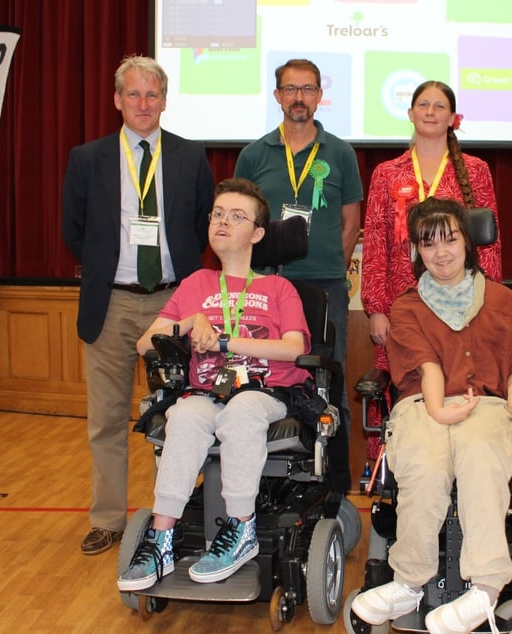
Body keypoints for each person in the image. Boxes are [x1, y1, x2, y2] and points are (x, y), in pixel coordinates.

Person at [351, 198, 512, 634]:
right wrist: (439, 412)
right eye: (428, 243)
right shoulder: (408, 305)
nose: (440, 252)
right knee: (425, 463)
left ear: (467, 242)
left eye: (450, 239)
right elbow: (428, 369)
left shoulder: (499, 297)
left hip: (486, 402)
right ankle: (408, 581)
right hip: (423, 403)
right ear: (417, 250)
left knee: (478, 457)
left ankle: (486, 588)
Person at [117, 178, 312, 590]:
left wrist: (225, 340)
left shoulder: (278, 288)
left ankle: (241, 528)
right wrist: (191, 322)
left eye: (237, 216)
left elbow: (294, 349)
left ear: (258, 234)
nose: (223, 221)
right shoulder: (195, 285)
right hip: (206, 393)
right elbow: (143, 343)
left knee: (241, 411)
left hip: (266, 392)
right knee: (184, 414)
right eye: (218, 214)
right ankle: (163, 536)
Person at [62, 55, 215, 555]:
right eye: (133, 94)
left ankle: (166, 518)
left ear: (165, 101)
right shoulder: (88, 158)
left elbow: (199, 228)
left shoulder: (192, 158)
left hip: (173, 302)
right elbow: (74, 232)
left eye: (152, 95)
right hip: (110, 303)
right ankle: (108, 518)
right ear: (117, 101)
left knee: (173, 414)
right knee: (105, 419)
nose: (143, 104)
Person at [233, 58, 362, 493]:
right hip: (267, 285)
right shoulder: (254, 154)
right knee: (264, 377)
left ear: (320, 95)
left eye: (307, 89)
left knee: (330, 380)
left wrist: (332, 269)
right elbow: (239, 220)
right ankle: (270, 481)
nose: (299, 98)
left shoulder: (340, 152)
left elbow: (350, 223)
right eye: (290, 89)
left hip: (325, 287)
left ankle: (334, 486)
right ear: (277, 97)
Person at [360, 80, 503, 458]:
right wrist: (376, 307)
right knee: (403, 385)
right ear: (410, 114)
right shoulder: (387, 173)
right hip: (401, 305)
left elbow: (489, 246)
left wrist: (486, 304)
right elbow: (374, 241)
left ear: (453, 118)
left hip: (462, 303)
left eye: (440, 106)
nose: (430, 112)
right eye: (423, 105)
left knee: (458, 377)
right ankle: (393, 467)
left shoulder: (476, 170)